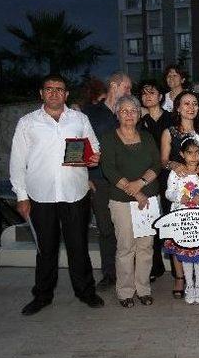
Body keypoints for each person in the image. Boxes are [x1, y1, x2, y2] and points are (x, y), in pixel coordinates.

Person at [10, 73, 104, 316]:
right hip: (41, 197)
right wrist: (21, 195)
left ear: (66, 94)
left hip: (75, 193)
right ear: (41, 93)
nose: (54, 93)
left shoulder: (79, 118)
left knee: (78, 247)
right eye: (49, 89)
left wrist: (95, 156)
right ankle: (42, 296)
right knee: (46, 250)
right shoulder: (27, 122)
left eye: (59, 89)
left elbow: (94, 147)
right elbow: (17, 162)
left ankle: (86, 292)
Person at [100, 95, 161, 308]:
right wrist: (135, 192)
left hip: (149, 200)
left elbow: (157, 164)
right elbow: (108, 169)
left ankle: (143, 289)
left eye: (133, 111)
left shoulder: (147, 137)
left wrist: (141, 183)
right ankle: (125, 291)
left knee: (146, 246)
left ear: (138, 114)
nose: (128, 115)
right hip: (121, 201)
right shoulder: (108, 138)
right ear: (117, 114)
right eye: (123, 111)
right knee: (126, 246)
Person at [160, 91, 199, 298]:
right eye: (186, 104)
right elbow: (163, 160)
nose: (190, 107)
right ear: (178, 107)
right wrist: (173, 163)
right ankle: (180, 278)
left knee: (198, 233)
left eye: (194, 104)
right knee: (179, 235)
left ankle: (198, 281)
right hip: (177, 189)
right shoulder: (169, 132)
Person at [83, 72, 132, 290]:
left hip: (125, 180)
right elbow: (79, 144)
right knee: (105, 229)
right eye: (127, 88)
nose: (130, 93)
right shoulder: (90, 113)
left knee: (127, 229)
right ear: (114, 85)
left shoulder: (128, 113)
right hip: (99, 180)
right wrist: (84, 177)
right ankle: (109, 274)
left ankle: (129, 272)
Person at [164, 136, 199, 304]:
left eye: (197, 152)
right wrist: (179, 197)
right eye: (189, 153)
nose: (194, 156)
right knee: (186, 254)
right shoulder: (176, 174)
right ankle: (189, 285)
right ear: (182, 154)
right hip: (182, 219)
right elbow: (168, 193)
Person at [138, 80, 173, 281]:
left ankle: (178, 266)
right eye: (144, 94)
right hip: (147, 176)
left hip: (168, 175)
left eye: (152, 92)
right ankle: (155, 266)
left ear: (160, 96)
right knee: (149, 221)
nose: (148, 96)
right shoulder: (138, 121)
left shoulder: (171, 118)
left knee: (168, 217)